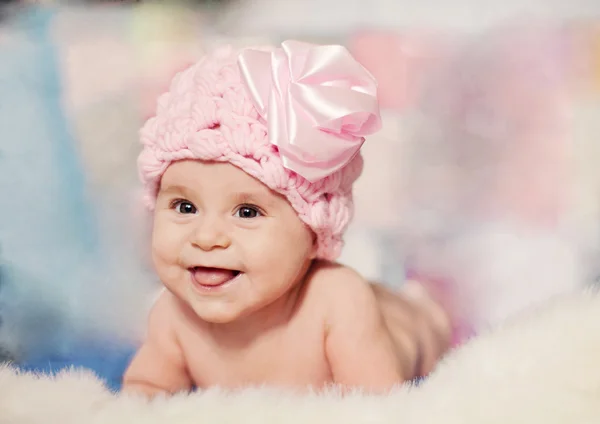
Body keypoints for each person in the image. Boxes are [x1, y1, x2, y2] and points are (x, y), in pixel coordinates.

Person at [123, 40, 451, 397]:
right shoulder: (173, 315)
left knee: (417, 321)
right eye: (185, 207)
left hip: (404, 326)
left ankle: (423, 304)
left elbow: (380, 405)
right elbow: (146, 388)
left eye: (247, 212)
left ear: (312, 234)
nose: (206, 237)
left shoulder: (335, 301)